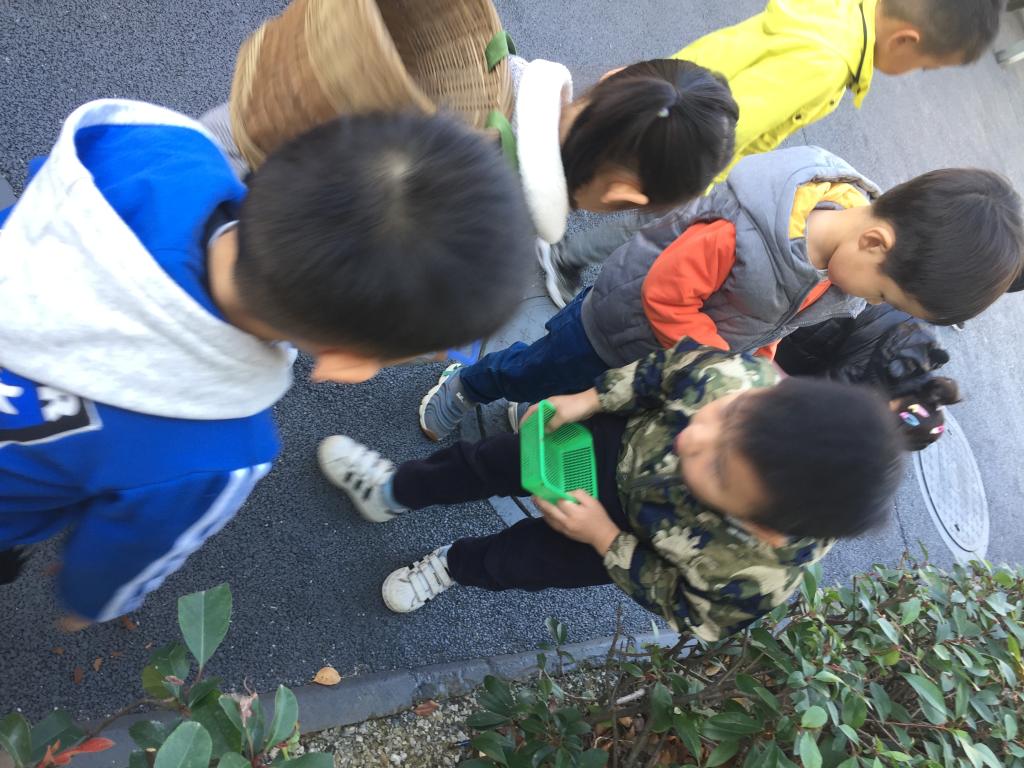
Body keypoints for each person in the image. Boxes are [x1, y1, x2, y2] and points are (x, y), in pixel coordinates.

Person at [0, 100, 535, 626]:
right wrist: (87, 604)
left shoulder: (155, 142)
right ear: (346, 366)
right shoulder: (215, 452)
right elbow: (115, 565)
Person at [417, 146, 1024, 442]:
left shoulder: (842, 271)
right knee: (540, 365)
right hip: (615, 324)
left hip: (668, 352)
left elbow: (777, 321)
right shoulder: (745, 234)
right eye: (887, 293)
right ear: (874, 241)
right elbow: (664, 298)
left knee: (581, 389)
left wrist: (762, 362)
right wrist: (721, 364)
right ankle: (469, 386)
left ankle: (536, 398)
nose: (875, 304)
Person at [318, 344, 904, 640]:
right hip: (607, 445)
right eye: (729, 414)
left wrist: (604, 539)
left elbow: (685, 607)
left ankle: (450, 565)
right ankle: (392, 490)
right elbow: (662, 373)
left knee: (521, 562)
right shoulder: (739, 380)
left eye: (721, 470)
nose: (694, 435)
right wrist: (588, 400)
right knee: (482, 463)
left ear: (763, 527)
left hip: (623, 541)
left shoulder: (755, 576)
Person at [538, 0, 1007, 307]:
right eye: (924, 64)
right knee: (645, 209)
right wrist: (702, 181)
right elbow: (743, 119)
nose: (915, 71)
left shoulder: (843, 13)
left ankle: (559, 185)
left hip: (684, 86)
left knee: (601, 148)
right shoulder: (825, 64)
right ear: (906, 40)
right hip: (691, 144)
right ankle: (565, 256)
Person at [202, 57, 740, 302]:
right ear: (623, 195)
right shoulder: (491, 216)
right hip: (238, 250)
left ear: (612, 78)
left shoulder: (490, 62)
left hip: (219, 141)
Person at [775, 303, 961, 450]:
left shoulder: (921, 358)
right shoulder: (870, 382)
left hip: (832, 305)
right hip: (802, 327)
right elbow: (806, 398)